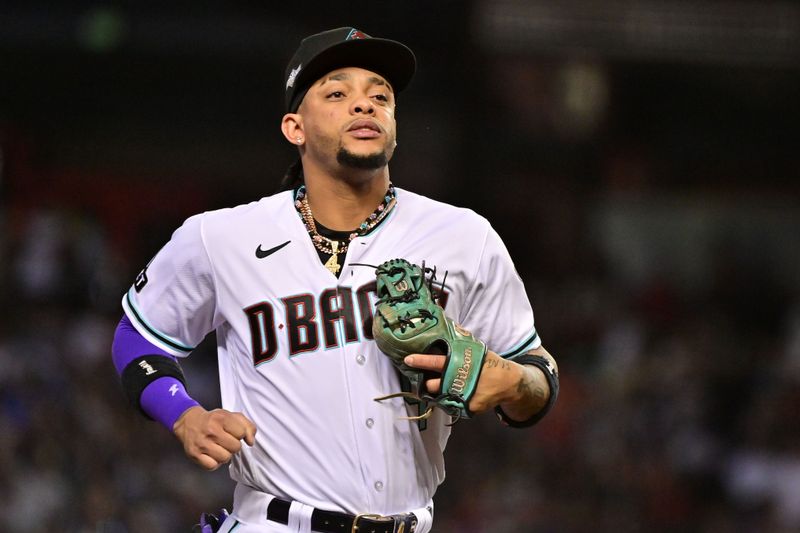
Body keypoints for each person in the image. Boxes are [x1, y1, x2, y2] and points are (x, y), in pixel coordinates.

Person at [111, 27, 559, 533]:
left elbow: (538, 373)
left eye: (380, 96)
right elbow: (137, 337)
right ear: (294, 127)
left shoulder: (464, 237)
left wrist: (514, 382)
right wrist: (184, 414)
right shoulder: (222, 238)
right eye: (338, 93)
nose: (364, 105)